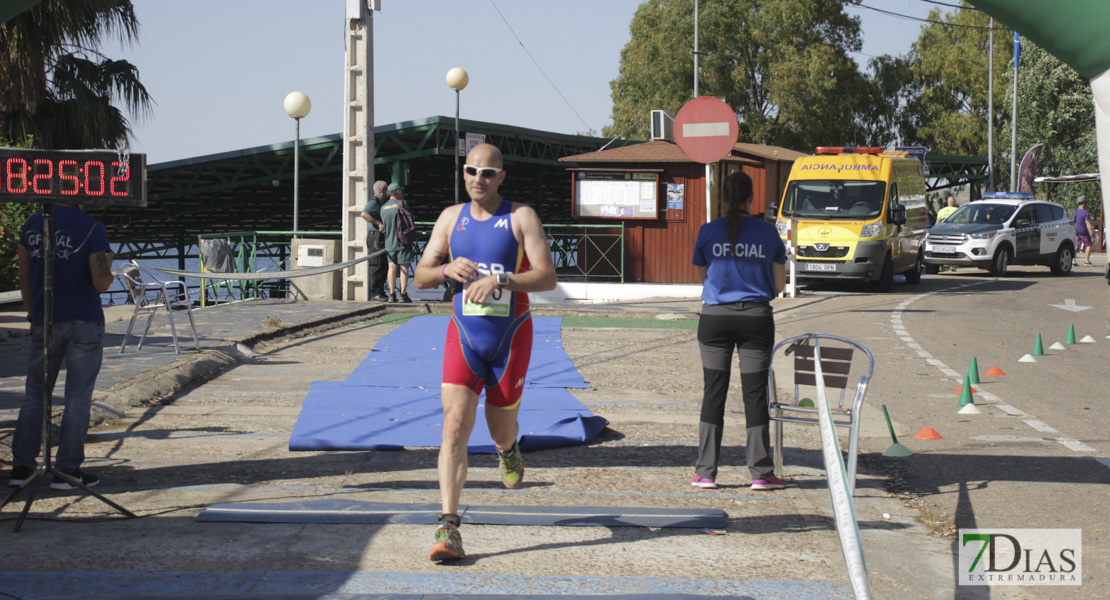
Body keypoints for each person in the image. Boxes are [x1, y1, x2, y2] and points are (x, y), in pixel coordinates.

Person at [413, 143, 556, 562]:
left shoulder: (520, 216)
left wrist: (503, 280)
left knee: (499, 429)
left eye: (488, 173)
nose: (479, 178)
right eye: (472, 171)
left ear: (501, 177)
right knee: (454, 425)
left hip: (510, 339)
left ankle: (508, 450)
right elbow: (421, 274)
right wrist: (444, 270)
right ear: (463, 173)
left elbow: (547, 277)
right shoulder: (449, 218)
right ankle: (448, 527)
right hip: (464, 336)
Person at [690, 171, 787, 492]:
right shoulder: (769, 233)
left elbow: (705, 279)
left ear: (723, 199)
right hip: (756, 321)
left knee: (713, 392)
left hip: (714, 319)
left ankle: (705, 472)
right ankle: (760, 474)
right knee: (755, 394)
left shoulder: (707, 232)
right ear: (751, 198)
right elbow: (778, 286)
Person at [9, 202, 114, 490]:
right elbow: (102, 283)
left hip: (45, 320)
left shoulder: (31, 224)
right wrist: (109, 261)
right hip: (84, 321)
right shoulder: (93, 227)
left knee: (35, 394)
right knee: (78, 396)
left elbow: (25, 276)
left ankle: (21, 468)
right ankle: (67, 471)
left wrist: (33, 314)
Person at [380, 183, 416, 303]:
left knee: (391, 267)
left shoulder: (383, 207)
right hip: (402, 241)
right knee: (404, 267)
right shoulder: (403, 204)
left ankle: (391, 294)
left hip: (389, 242)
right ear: (399, 191)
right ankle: (403, 294)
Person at [360, 180, 390, 301]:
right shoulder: (374, 201)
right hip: (375, 236)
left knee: (383, 265)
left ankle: (381, 291)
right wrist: (378, 223)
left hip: (381, 237)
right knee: (376, 265)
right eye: (387, 189)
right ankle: (375, 293)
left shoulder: (383, 202)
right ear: (381, 190)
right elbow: (364, 214)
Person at [1074, 196, 1094, 266]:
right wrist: (1091, 231)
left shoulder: (1074, 211)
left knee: (1076, 245)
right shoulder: (1085, 213)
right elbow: (1087, 223)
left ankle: (1073, 261)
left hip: (1075, 231)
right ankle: (1086, 261)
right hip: (1083, 232)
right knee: (1088, 245)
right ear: (1084, 203)